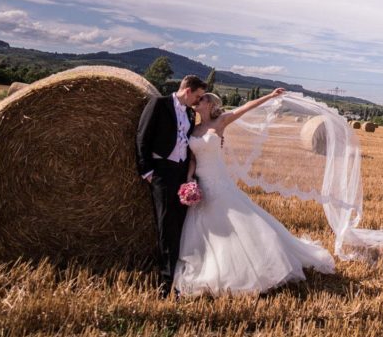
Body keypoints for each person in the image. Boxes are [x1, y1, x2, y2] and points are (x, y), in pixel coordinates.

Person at [173, 88, 335, 297]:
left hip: (219, 181)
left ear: (210, 105)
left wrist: (270, 96)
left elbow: (246, 108)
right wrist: (189, 181)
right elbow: (193, 159)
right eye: (198, 97)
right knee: (206, 226)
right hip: (202, 181)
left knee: (236, 221)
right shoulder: (193, 129)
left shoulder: (221, 121)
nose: (197, 100)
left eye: (202, 98)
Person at [136, 74, 209, 298]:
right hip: (161, 172)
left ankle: (178, 278)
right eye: (196, 97)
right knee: (167, 227)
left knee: (179, 226)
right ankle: (165, 285)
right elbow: (142, 136)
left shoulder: (188, 112)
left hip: (180, 173)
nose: (197, 102)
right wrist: (147, 172)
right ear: (188, 91)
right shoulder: (159, 104)